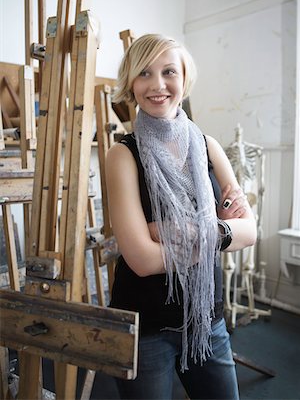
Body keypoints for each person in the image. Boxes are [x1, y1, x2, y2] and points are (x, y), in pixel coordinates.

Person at [105, 34, 257, 400]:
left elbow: (249, 230)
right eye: (144, 73)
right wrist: (219, 235)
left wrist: (175, 233)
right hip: (146, 326)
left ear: (184, 78)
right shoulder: (122, 156)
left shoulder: (207, 146)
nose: (157, 85)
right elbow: (141, 260)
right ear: (131, 83)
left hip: (207, 319)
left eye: (168, 71)